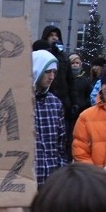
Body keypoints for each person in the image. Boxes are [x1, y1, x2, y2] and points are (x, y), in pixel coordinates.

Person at [31, 49, 69, 185]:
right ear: (36, 70)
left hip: (52, 181)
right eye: (47, 71)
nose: (52, 76)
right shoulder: (21, 103)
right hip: (29, 181)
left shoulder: (55, 103)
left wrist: (61, 173)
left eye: (54, 72)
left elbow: (61, 144)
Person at [73, 64, 106, 167]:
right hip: (94, 180)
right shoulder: (86, 116)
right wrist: (97, 176)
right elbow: (80, 153)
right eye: (105, 83)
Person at [68, 52, 91, 122]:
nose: (75, 65)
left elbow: (88, 95)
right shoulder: (65, 78)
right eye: (73, 63)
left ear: (80, 65)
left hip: (81, 111)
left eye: (77, 63)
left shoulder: (85, 80)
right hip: (67, 111)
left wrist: (83, 106)